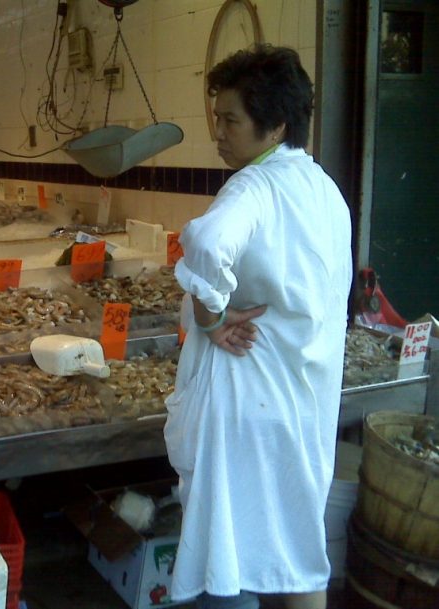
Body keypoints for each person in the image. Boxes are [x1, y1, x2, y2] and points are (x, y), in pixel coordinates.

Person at [164, 45, 352, 609]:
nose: (218, 132)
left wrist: (211, 316)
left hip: (246, 397)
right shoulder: (323, 188)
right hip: (305, 397)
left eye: (230, 120)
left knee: (225, 543)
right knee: (297, 541)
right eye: (216, 117)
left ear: (275, 126)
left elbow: (205, 243)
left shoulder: (252, 187)